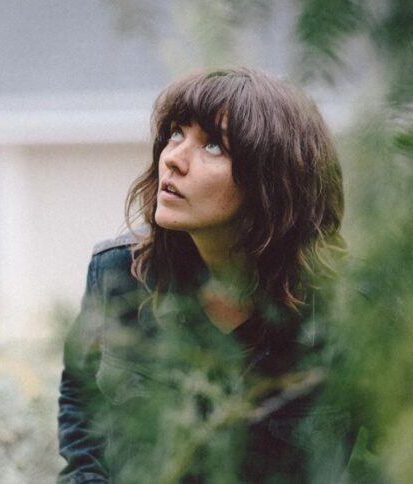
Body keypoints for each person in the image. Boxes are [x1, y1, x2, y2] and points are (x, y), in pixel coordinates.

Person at [57, 67, 351, 483]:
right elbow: (82, 395)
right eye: (176, 133)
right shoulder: (119, 275)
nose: (173, 159)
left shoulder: (347, 311)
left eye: (213, 146)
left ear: (273, 181)